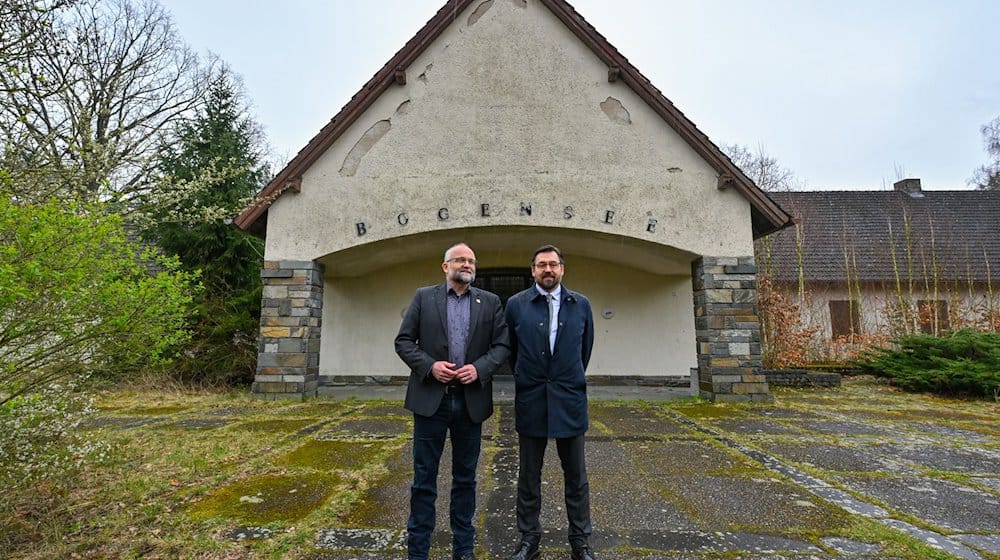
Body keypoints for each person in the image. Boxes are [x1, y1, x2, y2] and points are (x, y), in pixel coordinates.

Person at [395, 242, 510, 560]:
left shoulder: (489, 302)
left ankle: (463, 548)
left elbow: (502, 346)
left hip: (470, 403)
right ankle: (418, 550)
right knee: (424, 479)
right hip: (431, 401)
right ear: (445, 266)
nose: (468, 264)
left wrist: (481, 368)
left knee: (465, 479)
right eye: (460, 259)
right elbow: (404, 342)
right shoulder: (423, 297)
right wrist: (429, 366)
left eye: (472, 260)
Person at [503, 245, 596, 560]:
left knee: (576, 477)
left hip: (569, 401)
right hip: (532, 399)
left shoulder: (581, 304)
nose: (548, 270)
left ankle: (580, 542)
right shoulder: (516, 305)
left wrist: (565, 379)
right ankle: (529, 539)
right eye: (541, 265)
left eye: (553, 264)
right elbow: (512, 352)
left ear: (562, 269)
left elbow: (584, 352)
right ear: (532, 270)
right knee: (529, 476)